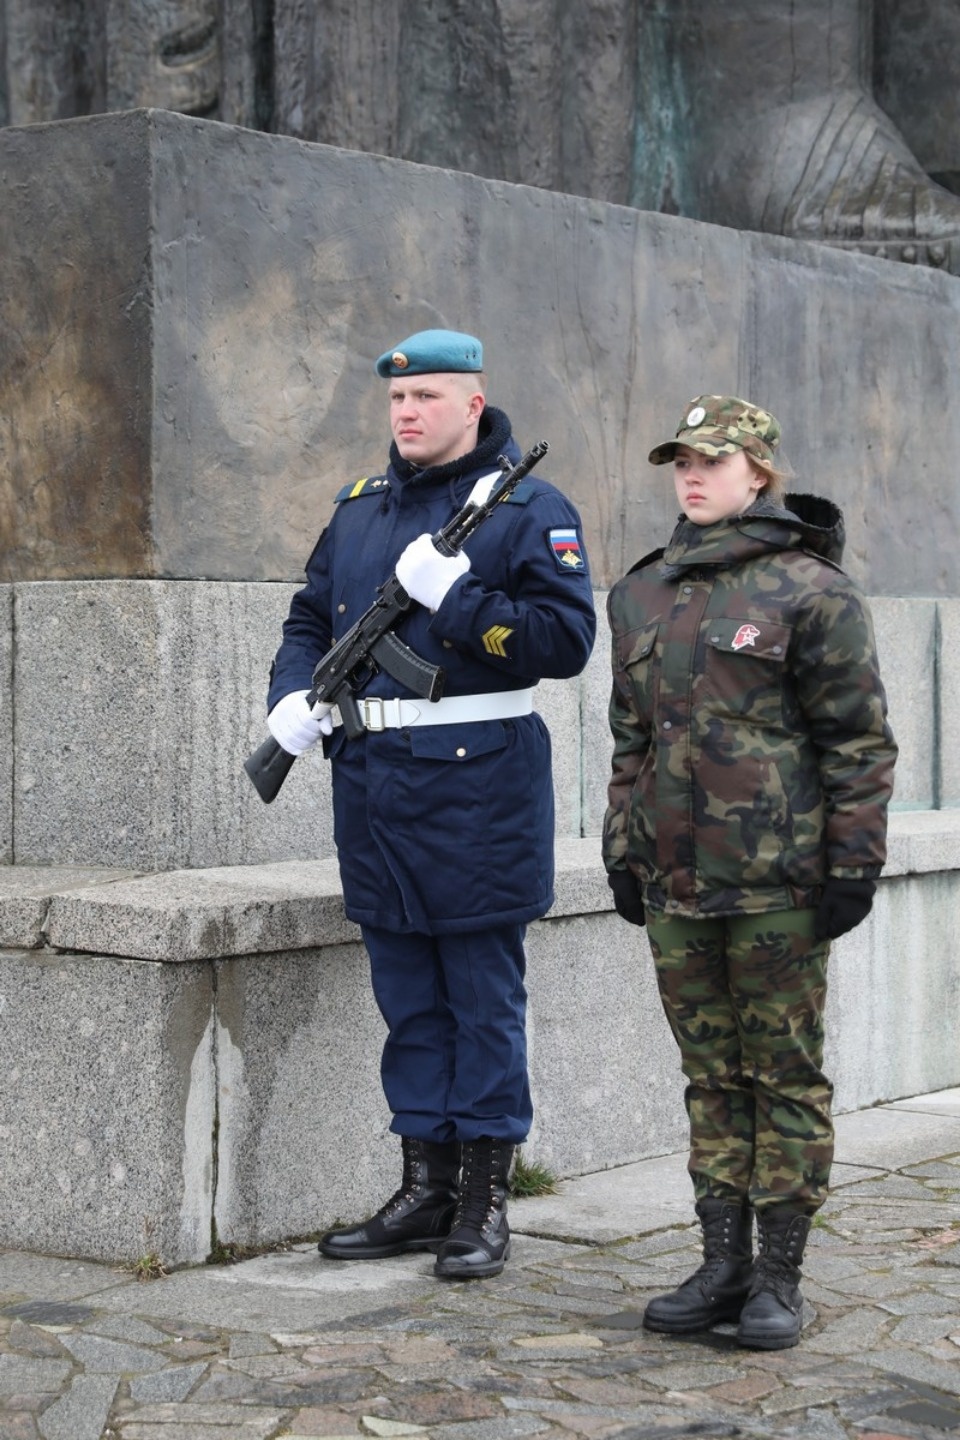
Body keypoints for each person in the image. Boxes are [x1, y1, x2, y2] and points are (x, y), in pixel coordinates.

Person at [264, 327, 596, 1280]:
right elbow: (308, 613)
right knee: (408, 998)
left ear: (473, 404)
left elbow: (564, 641)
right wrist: (292, 697)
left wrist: (457, 600)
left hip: (479, 787)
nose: (407, 414)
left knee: (479, 1000)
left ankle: (484, 1202)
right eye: (397, 402)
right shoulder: (361, 509)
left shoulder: (529, 509)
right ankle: (423, 1188)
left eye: (428, 399)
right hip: (373, 788)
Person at [602, 395, 897, 1348]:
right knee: (710, 1078)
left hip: (778, 886)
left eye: (711, 461)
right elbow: (630, 742)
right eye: (681, 462)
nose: (692, 476)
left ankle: (778, 1275)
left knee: (784, 1076)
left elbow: (856, 740)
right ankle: (720, 1263)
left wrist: (853, 862)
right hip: (679, 885)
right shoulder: (642, 593)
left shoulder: (812, 591)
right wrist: (623, 850)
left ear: (758, 472)